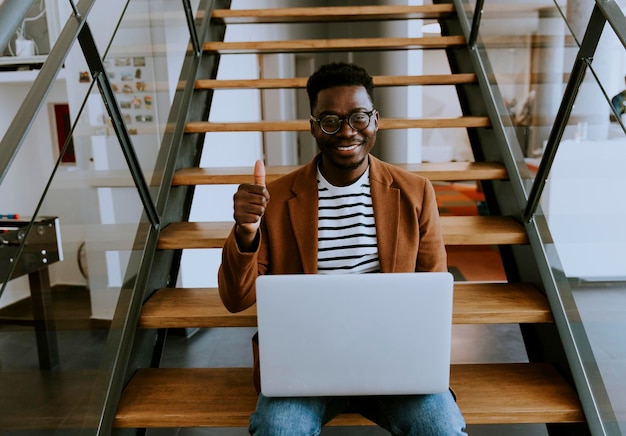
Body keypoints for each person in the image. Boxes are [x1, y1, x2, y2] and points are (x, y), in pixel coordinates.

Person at [218, 62, 467, 435]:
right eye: (330, 120)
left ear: (376, 120)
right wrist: (246, 231)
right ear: (314, 127)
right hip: (304, 366)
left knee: (442, 428)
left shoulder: (416, 193)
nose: (347, 131)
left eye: (359, 117)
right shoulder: (279, 198)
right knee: (278, 429)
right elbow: (237, 299)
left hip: (394, 363)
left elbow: (431, 293)